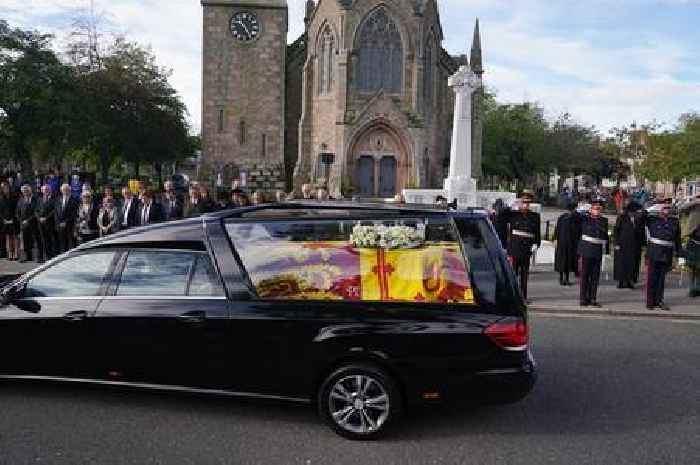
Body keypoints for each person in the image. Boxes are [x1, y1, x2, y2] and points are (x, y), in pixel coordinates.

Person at [496, 190, 541, 302]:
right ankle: (513, 296)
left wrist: (536, 243)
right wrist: (509, 206)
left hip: (526, 249)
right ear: (520, 203)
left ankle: (523, 297)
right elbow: (500, 216)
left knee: (524, 276)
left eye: (527, 203)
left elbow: (537, 232)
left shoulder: (534, 216)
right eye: (523, 202)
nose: (525, 205)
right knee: (513, 275)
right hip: (515, 249)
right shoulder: (514, 214)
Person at [641, 201, 683, 310]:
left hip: (667, 253)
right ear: (659, 209)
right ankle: (650, 301)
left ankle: (659, 300)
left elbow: (677, 239)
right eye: (664, 207)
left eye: (668, 208)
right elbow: (639, 217)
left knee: (661, 279)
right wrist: (650, 208)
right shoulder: (652, 219)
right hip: (654, 252)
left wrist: (680, 254)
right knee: (652, 278)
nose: (666, 210)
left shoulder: (674, 221)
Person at [576, 198, 609, 307]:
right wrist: (584, 209)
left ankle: (592, 298)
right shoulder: (584, 219)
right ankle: (583, 299)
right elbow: (575, 217)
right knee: (585, 276)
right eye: (595, 208)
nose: (597, 210)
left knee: (595, 276)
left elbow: (605, 237)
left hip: (597, 250)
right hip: (586, 250)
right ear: (591, 209)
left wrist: (607, 252)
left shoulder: (604, 220)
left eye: (599, 209)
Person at [613, 202, 643, 289]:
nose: (636, 213)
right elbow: (616, 230)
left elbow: (641, 232)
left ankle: (630, 281)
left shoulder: (639, 219)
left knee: (633, 264)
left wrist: (643, 243)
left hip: (635, 245)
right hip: (623, 244)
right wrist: (616, 243)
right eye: (635, 211)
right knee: (622, 264)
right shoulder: (622, 218)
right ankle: (621, 281)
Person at [553, 201, 580, 286]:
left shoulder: (568, 217)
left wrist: (555, 239)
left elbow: (557, 229)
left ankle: (564, 278)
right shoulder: (569, 217)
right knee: (564, 261)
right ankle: (563, 278)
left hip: (565, 242)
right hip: (566, 242)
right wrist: (555, 239)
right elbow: (557, 229)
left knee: (566, 261)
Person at [16, 185, 38, 262]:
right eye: (24, 191)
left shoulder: (34, 199)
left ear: (30, 191)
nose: (25, 192)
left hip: (33, 223)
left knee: (34, 240)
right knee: (25, 241)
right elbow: (17, 212)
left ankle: (36, 257)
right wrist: (21, 221)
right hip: (23, 224)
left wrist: (28, 220)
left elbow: (36, 212)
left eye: (27, 190)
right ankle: (26, 257)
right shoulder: (21, 200)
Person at [54, 183, 78, 253]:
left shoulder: (74, 200)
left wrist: (65, 222)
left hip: (70, 225)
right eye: (64, 190)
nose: (65, 191)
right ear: (61, 191)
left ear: (69, 190)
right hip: (59, 225)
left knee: (71, 242)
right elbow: (56, 212)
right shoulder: (58, 199)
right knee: (62, 242)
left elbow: (74, 213)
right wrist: (59, 222)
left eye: (67, 189)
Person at [35, 185, 56, 262]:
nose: (46, 191)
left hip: (49, 222)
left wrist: (46, 218)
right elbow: (36, 210)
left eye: (47, 189)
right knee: (42, 240)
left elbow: (54, 211)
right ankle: (42, 256)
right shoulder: (39, 199)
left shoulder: (54, 199)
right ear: (42, 191)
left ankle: (50, 256)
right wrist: (39, 218)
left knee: (50, 240)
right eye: (44, 190)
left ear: (50, 190)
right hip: (40, 223)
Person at [1, 181, 20, 261]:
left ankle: (16, 254)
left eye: (7, 188)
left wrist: (13, 218)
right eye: (4, 188)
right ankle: (10, 254)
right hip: (5, 221)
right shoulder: (1, 198)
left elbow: (17, 208)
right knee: (8, 238)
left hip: (14, 220)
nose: (6, 189)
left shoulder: (14, 197)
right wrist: (4, 219)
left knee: (15, 237)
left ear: (9, 188)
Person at [687, 225, 700, 298]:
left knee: (698, 270)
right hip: (693, 247)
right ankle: (692, 289)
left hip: (695, 247)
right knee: (692, 270)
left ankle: (696, 289)